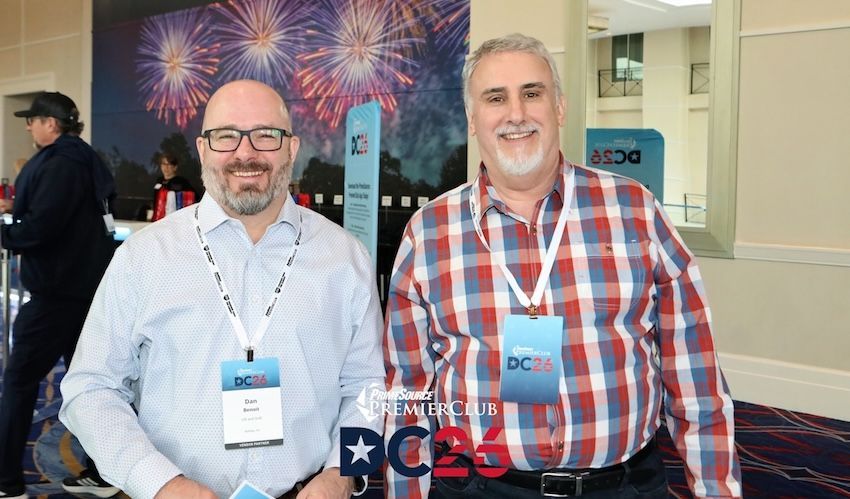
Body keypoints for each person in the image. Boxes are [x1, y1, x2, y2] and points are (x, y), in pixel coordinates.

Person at [383, 34, 742, 498]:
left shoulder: (634, 209)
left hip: (622, 486)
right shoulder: (428, 233)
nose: (516, 113)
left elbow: (696, 376)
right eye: (496, 98)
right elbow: (406, 393)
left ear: (560, 107)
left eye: (532, 93)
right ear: (472, 119)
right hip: (482, 486)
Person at [59, 80, 384, 499]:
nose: (245, 153)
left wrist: (344, 474)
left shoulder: (345, 259)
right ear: (202, 149)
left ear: (292, 148)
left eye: (266, 135)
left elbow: (368, 386)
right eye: (226, 135)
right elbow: (90, 388)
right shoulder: (144, 258)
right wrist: (159, 483)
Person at [0, 92, 118, 499]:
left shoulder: (60, 165)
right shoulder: (83, 159)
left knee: (19, 381)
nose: (29, 126)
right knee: (91, 383)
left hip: (56, 296)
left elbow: (42, 228)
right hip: (84, 291)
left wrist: (7, 232)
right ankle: (103, 473)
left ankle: (7, 482)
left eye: (33, 120)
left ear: (51, 123)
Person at [151, 152, 197, 220]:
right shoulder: (159, 181)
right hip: (158, 218)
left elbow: (192, 199)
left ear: (175, 167)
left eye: (169, 164)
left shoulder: (182, 182)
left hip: (175, 219)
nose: (166, 167)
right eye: (164, 164)